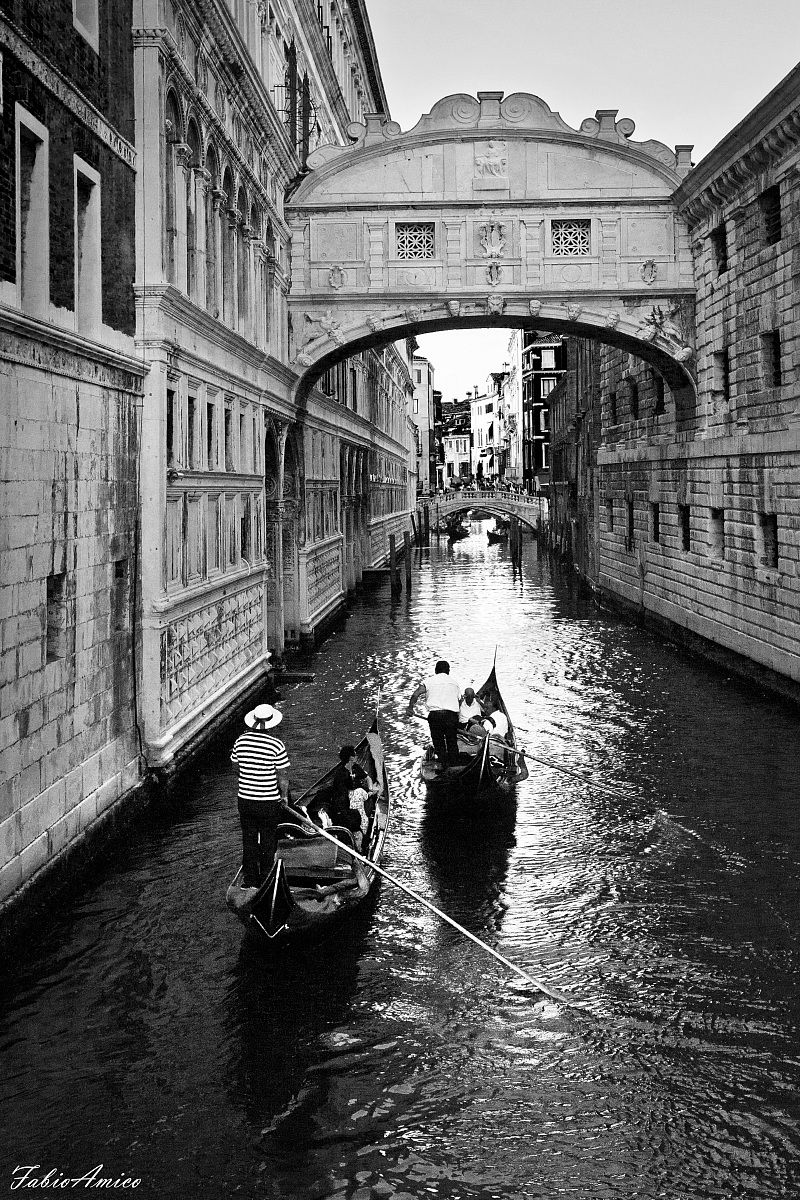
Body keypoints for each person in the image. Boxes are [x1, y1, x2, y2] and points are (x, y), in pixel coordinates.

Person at [230, 702, 290, 889]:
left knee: (248, 840)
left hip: (245, 800)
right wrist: (284, 797)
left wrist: (249, 779)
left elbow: (236, 768)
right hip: (268, 802)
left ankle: (250, 882)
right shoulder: (276, 745)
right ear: (271, 724)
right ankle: (265, 880)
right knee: (267, 841)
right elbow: (283, 777)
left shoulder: (240, 741)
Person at [407, 659, 462, 767]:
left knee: (439, 743)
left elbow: (415, 694)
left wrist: (410, 707)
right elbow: (459, 701)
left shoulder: (429, 681)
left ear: (436, 670)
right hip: (451, 716)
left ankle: (443, 765)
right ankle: (454, 765)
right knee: (452, 742)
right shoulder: (454, 683)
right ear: (448, 671)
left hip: (435, 716)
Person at [348, 764, 379, 850]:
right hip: (361, 820)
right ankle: (363, 846)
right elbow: (368, 796)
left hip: (352, 819)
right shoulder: (360, 791)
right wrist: (372, 791)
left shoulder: (347, 793)